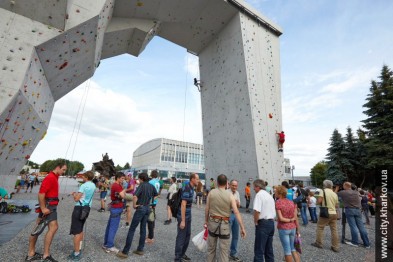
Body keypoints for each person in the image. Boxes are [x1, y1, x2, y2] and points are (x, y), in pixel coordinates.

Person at [26, 161, 67, 262]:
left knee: (39, 227)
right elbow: (41, 194)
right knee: (51, 227)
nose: (64, 172)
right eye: (63, 170)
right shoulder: (50, 177)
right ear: (57, 167)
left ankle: (31, 254)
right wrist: (43, 208)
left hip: (49, 206)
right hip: (49, 207)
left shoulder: (54, 176)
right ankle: (45, 255)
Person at [116, 173, 158, 259]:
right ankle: (140, 249)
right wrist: (151, 203)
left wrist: (135, 205)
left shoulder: (142, 185)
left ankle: (125, 252)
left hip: (141, 208)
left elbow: (135, 196)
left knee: (132, 229)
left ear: (141, 179)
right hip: (147, 208)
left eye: (139, 179)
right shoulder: (151, 186)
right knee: (143, 229)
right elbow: (156, 195)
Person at [205, 176, 246, 262]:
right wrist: (242, 227)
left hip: (212, 223)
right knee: (224, 251)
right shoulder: (230, 195)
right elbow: (236, 212)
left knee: (211, 249)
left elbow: (207, 209)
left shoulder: (211, 193)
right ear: (227, 183)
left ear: (217, 182)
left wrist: (206, 221)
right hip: (224, 224)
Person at [68, 171, 96, 261]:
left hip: (79, 209)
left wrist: (74, 194)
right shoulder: (93, 185)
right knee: (80, 228)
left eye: (83, 176)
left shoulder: (83, 186)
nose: (82, 178)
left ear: (87, 177)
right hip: (87, 208)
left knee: (76, 231)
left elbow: (77, 199)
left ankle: (76, 254)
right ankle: (78, 249)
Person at [335, 182, 370, 248]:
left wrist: (337, 188)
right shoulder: (356, 192)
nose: (343, 187)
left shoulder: (343, 192)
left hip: (349, 210)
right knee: (361, 226)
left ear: (345, 186)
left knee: (353, 226)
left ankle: (355, 242)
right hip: (358, 210)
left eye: (343, 186)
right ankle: (367, 243)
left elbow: (334, 195)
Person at [174, 173, 200, 262]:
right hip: (183, 214)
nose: (198, 181)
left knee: (187, 235)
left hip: (188, 212)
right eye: (197, 179)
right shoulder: (187, 188)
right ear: (192, 179)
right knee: (181, 236)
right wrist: (183, 220)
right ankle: (177, 258)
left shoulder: (192, 188)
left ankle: (182, 254)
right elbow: (183, 204)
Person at [311, 180, 340, 252]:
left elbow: (319, 201)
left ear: (324, 185)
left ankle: (319, 243)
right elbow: (336, 205)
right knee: (334, 230)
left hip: (326, 213)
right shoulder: (334, 193)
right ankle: (335, 246)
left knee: (320, 227)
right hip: (334, 213)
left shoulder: (322, 191)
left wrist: (318, 201)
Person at [275, 186, 301, 262]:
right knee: (293, 248)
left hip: (283, 228)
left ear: (279, 193)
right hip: (293, 227)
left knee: (287, 250)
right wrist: (298, 230)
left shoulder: (278, 202)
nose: (275, 193)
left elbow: (280, 218)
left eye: (276, 192)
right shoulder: (291, 202)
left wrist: (289, 220)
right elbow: (295, 217)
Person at [102, 172, 126, 254]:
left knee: (110, 226)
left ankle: (106, 244)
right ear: (118, 178)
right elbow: (123, 196)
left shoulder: (116, 185)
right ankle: (110, 246)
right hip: (117, 207)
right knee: (113, 227)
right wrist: (125, 190)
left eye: (124, 178)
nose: (123, 180)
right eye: (122, 178)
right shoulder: (117, 185)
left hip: (115, 207)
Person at [253, 179, 276, 262]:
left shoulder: (259, 195)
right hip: (271, 223)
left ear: (258, 187)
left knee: (259, 250)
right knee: (269, 250)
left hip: (263, 223)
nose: (254, 189)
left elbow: (257, 211)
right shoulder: (269, 195)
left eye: (254, 187)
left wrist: (255, 221)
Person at [227, 179, 245, 261]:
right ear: (230, 185)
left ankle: (233, 254)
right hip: (228, 214)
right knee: (226, 235)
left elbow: (238, 205)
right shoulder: (226, 192)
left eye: (236, 185)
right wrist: (235, 202)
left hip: (235, 214)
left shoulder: (237, 193)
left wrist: (236, 203)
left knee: (235, 236)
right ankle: (224, 254)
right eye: (233, 185)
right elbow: (227, 204)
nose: (234, 187)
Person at [146, 170, 160, 244]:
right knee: (152, 217)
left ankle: (150, 237)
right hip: (155, 202)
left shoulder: (151, 182)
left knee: (149, 219)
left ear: (151, 174)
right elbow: (157, 193)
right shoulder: (157, 182)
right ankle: (150, 235)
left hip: (150, 201)